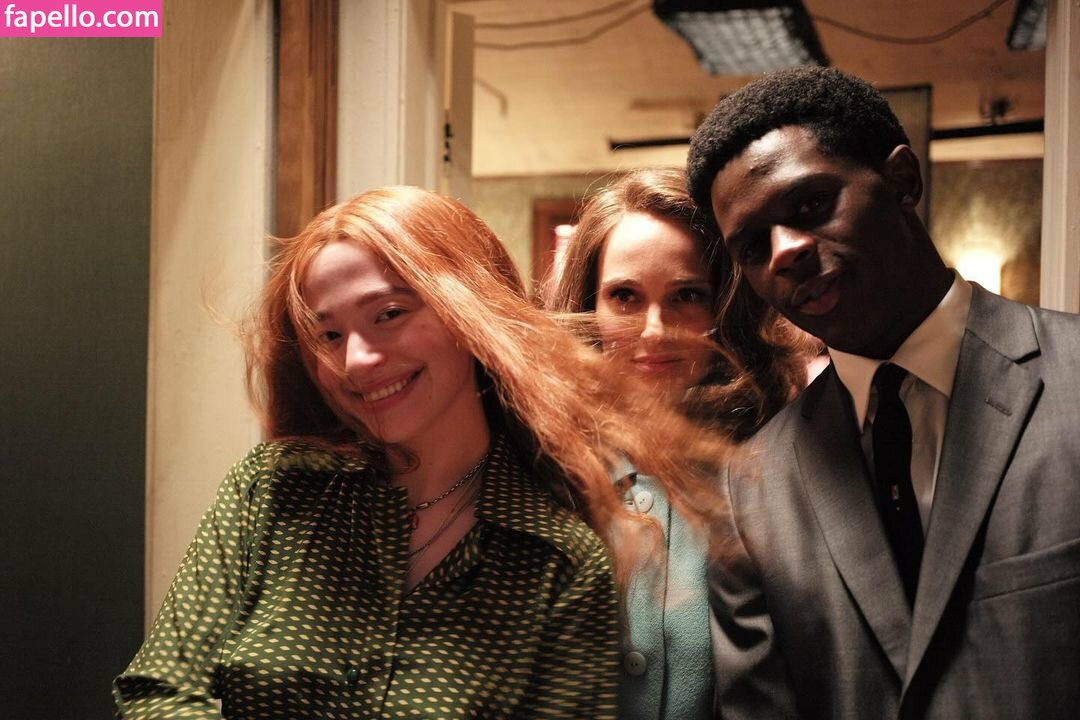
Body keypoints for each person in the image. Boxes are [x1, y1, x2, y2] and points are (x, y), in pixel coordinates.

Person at [113, 187, 729, 719]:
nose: (357, 360)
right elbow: (156, 690)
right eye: (329, 334)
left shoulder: (556, 557)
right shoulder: (274, 491)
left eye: (389, 314)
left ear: (471, 316)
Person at [686, 66, 1080, 719]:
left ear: (902, 180)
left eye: (811, 205)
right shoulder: (750, 488)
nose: (785, 252)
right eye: (753, 246)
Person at [551, 168, 806, 719]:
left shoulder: (778, 467)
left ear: (724, 307)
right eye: (624, 296)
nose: (653, 330)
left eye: (686, 295)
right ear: (589, 304)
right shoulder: (543, 466)